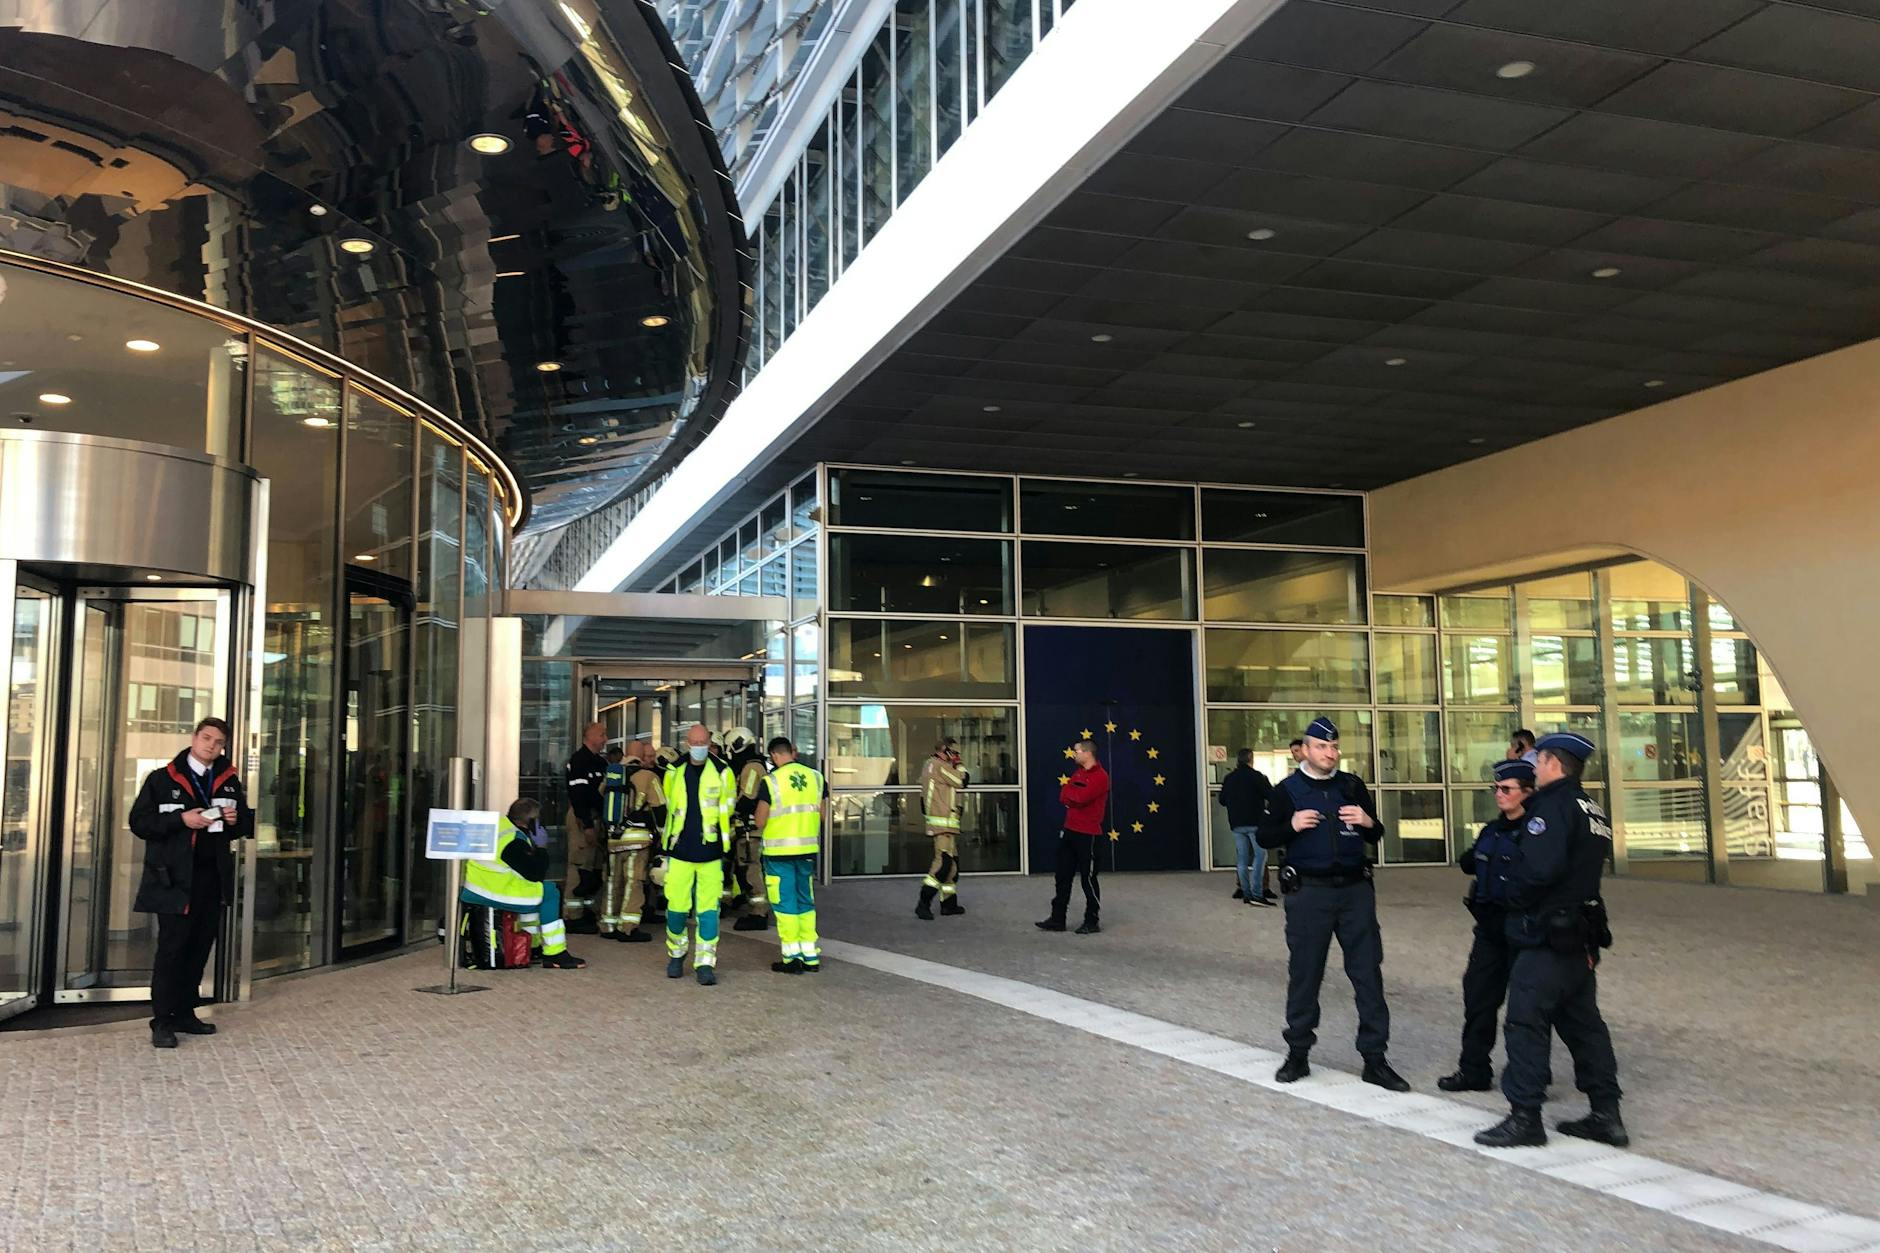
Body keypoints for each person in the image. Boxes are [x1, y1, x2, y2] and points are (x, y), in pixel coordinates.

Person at [1475, 733, 1625, 1149]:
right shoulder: (1589, 806)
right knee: (1584, 1025)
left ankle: (1525, 1117)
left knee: (1525, 1021)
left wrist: (1512, 898)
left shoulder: (1551, 807)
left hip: (1546, 933)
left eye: (1538, 760)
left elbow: (1539, 870)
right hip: (1580, 934)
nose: (1534, 766)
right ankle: (1606, 1113)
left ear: (1554, 764)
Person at [1257, 718, 1409, 1091]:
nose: (1330, 753)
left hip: (1355, 892)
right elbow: (1265, 837)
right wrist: (1291, 826)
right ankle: (1298, 1053)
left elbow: (1376, 833)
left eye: (1334, 747)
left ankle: (1375, 1059)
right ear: (1305, 750)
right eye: (1322, 747)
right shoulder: (1287, 791)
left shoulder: (1352, 786)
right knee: (1305, 973)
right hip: (1310, 893)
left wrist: (1368, 821)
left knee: (1367, 973)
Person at [129, 717, 252, 1049]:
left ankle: (185, 1013)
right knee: (172, 950)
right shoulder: (162, 779)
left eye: (218, 742)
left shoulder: (228, 781)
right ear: (194, 738)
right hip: (174, 878)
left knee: (199, 948)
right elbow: (139, 822)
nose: (211, 746)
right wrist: (181, 819)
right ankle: (162, 1020)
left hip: (212, 878)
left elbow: (243, 825)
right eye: (206, 738)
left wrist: (235, 820)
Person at [1437, 759, 1533, 1092]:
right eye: (1496, 789)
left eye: (1506, 789)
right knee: (1478, 1000)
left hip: (1523, 928)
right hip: (1490, 930)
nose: (1499, 794)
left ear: (1527, 792)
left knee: (1528, 1008)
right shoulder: (1492, 831)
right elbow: (1469, 862)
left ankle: (1532, 1073)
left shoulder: (1536, 833)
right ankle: (1474, 1069)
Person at [462, 798, 586, 969]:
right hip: (490, 891)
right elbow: (535, 874)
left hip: (478, 886)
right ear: (533, 822)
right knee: (550, 892)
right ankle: (555, 953)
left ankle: (531, 947)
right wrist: (541, 848)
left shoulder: (500, 826)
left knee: (535, 891)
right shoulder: (513, 840)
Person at [660, 723, 735, 985]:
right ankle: (676, 955)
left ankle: (705, 963)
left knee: (708, 913)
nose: (700, 747)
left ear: (710, 743)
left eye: (704, 742)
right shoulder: (674, 771)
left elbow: (729, 806)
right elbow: (669, 806)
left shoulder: (723, 771)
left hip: (710, 851)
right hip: (680, 850)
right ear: (687, 743)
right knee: (676, 910)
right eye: (696, 743)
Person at [754, 736, 827, 973]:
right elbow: (823, 815)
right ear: (791, 752)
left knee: (785, 904)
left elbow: (760, 820)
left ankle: (791, 957)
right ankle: (810, 956)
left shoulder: (771, 781)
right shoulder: (816, 777)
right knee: (805, 901)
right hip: (807, 851)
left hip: (779, 853)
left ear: (774, 755)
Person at [1037, 740, 1109, 935]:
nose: (1074, 754)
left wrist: (1073, 796)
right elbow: (1064, 795)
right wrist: (1072, 796)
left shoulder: (1101, 776)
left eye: (1077, 751)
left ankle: (1092, 920)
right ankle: (1057, 918)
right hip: (1070, 830)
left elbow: (1081, 798)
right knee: (1062, 875)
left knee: (1088, 879)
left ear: (1087, 753)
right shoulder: (1078, 773)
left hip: (1089, 834)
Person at [598, 745, 662, 943]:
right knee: (633, 882)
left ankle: (608, 924)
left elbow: (601, 797)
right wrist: (662, 837)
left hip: (614, 838)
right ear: (642, 757)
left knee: (613, 881)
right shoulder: (649, 776)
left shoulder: (613, 774)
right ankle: (627, 928)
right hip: (637, 840)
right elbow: (660, 809)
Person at [915, 737, 969, 920]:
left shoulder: (930, 765)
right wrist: (959, 765)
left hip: (945, 823)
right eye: (953, 752)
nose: (956, 755)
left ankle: (948, 904)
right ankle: (923, 904)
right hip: (942, 823)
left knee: (952, 866)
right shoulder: (940, 766)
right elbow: (963, 780)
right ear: (943, 750)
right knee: (943, 864)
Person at [563, 722, 609, 933]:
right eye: (602, 734)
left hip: (597, 818)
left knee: (592, 866)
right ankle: (572, 915)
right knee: (578, 864)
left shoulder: (600, 762)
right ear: (588, 736)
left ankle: (586, 910)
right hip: (582, 818)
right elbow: (578, 794)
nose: (605, 739)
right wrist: (587, 824)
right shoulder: (579, 760)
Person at [726, 727, 772, 932]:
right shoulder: (752, 765)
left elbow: (748, 796)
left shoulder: (752, 767)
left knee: (751, 870)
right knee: (745, 869)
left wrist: (728, 809)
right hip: (747, 829)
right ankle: (755, 909)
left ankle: (758, 913)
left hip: (750, 830)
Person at [1220, 748, 1273, 906]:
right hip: (1255, 822)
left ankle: (1246, 892)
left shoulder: (1229, 778)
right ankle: (1257, 893)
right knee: (1260, 856)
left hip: (1236, 823)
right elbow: (1271, 795)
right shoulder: (1257, 776)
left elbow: (1222, 800)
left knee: (1242, 859)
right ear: (1251, 759)